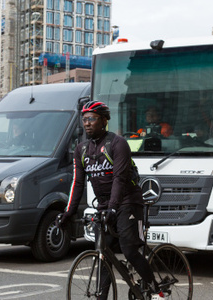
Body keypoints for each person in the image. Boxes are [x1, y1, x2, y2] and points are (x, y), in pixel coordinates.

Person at [59, 100, 161, 299]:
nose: (87, 123)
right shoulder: (81, 150)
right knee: (102, 254)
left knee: (129, 250)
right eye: (84, 119)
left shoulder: (117, 144)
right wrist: (68, 212)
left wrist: (113, 208)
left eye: (92, 119)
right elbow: (77, 184)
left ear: (104, 121)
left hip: (128, 202)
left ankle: (156, 290)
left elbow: (120, 179)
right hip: (106, 205)